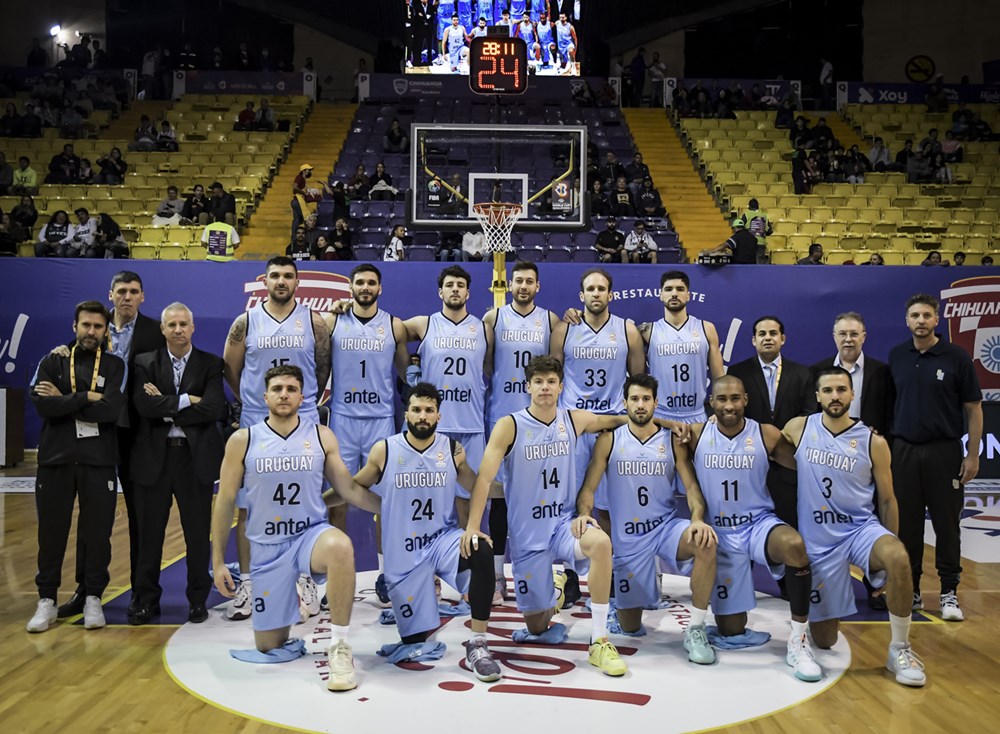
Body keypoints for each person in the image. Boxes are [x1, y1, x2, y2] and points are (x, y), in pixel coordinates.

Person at [463, 356, 648, 676]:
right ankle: (556, 589)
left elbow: (618, 420)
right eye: (538, 382)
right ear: (528, 387)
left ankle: (599, 640)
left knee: (601, 543)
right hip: (527, 535)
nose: (545, 387)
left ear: (561, 386)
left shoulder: (574, 419)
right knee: (536, 627)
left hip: (564, 525)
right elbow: (483, 479)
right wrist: (472, 526)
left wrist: (666, 426)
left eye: (551, 381)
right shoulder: (510, 425)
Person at [212, 365, 378, 691]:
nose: (284, 394)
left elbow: (347, 489)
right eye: (277, 389)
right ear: (265, 396)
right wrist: (217, 559)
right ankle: (288, 605)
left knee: (340, 546)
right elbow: (225, 501)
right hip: (267, 548)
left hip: (308, 536)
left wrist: (390, 510)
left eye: (291, 388)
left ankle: (340, 646)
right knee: (269, 646)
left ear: (303, 397)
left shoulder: (320, 435)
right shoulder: (243, 440)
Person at [783, 369, 926, 686]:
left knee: (898, 557)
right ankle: (808, 634)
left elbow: (888, 501)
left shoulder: (873, 441)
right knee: (825, 640)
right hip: (819, 542)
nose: (835, 396)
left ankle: (899, 649)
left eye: (841, 389)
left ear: (852, 395)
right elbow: (764, 445)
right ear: (817, 396)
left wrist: (890, 552)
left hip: (860, 531)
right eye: (828, 390)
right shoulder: (798, 428)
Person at [350, 382, 502, 682]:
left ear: (438, 416)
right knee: (414, 641)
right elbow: (354, 487)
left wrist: (512, 494)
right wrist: (384, 506)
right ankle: (422, 607)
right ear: (406, 413)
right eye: (417, 409)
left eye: (429, 410)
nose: (422, 416)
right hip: (404, 555)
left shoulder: (451, 449)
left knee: (480, 548)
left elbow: (478, 486)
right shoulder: (386, 449)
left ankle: (479, 644)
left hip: (441, 542)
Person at [674, 374, 822, 682]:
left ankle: (798, 642)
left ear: (746, 400)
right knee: (730, 628)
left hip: (757, 524)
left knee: (794, 546)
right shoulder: (697, 434)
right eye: (722, 399)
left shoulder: (765, 434)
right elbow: (657, 429)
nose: (729, 406)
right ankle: (711, 626)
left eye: (735, 399)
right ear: (711, 403)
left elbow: (805, 461)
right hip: (719, 532)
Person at [576, 374, 717, 664]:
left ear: (656, 402)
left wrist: (697, 518)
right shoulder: (609, 439)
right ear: (624, 403)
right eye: (634, 399)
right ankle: (640, 589)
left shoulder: (672, 439)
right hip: (629, 540)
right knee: (629, 627)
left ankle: (696, 628)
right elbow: (588, 488)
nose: (640, 405)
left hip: (665, 528)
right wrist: (584, 514)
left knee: (705, 543)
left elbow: (691, 487)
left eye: (646, 399)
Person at [222, 257, 332, 621]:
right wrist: (255, 401)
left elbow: (321, 366)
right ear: (265, 281)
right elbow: (230, 368)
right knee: (248, 506)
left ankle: (304, 580)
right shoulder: (245, 321)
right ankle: (251, 583)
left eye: (288, 276)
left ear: (297, 282)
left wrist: (300, 401)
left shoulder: (313, 321)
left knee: (308, 502)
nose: (281, 281)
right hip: (257, 419)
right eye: (275, 276)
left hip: (303, 420)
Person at [27, 301, 125, 633]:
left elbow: (111, 411)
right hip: (56, 459)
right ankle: (47, 600)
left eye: (98, 327)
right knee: (51, 532)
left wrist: (65, 398)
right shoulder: (51, 360)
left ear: (105, 331)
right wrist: (87, 398)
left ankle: (93, 597)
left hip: (98, 460)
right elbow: (42, 404)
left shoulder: (114, 366)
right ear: (75, 327)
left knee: (97, 533)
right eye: (86, 325)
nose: (91, 332)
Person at [129, 304, 228, 625]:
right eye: (171, 324)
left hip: (193, 459)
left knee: (197, 535)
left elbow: (214, 408)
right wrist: (189, 400)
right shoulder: (143, 362)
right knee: (149, 535)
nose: (178, 329)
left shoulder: (211, 364)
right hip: (153, 459)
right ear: (162, 329)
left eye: (184, 323)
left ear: (193, 327)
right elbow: (144, 406)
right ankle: (145, 600)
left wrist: (166, 403)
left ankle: (198, 600)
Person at [888, 294, 981, 621]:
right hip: (904, 452)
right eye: (915, 315)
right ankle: (911, 590)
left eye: (927, 315)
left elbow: (973, 408)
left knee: (947, 525)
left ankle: (949, 593)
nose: (921, 320)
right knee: (907, 528)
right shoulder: (897, 356)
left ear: (936, 319)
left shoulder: (956, 357)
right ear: (907, 320)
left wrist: (972, 455)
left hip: (945, 452)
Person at [483, 261, 559, 602]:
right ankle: (498, 575)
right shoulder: (493, 319)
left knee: (538, 499)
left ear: (538, 286)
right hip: (501, 416)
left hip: (539, 421)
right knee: (499, 499)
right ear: (508, 284)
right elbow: (486, 364)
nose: (523, 286)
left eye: (530, 281)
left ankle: (542, 574)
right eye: (518, 281)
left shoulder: (552, 320)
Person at [552, 269, 645, 543]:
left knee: (612, 504)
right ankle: (570, 574)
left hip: (614, 426)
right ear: (582, 295)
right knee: (571, 503)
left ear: (610, 295)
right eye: (590, 289)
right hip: (575, 426)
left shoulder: (627, 330)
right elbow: (553, 379)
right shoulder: (564, 328)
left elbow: (638, 383)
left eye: (601, 289)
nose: (596, 293)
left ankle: (615, 568)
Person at [726, 316, 814, 526]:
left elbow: (809, 413)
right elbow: (732, 413)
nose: (768, 338)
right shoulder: (738, 373)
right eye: (762, 334)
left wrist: (780, 440)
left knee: (791, 529)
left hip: (789, 464)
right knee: (746, 531)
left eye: (773, 333)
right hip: (749, 462)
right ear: (753, 340)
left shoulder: (802, 374)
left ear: (782, 338)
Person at [641, 271, 724, 423]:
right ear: (661, 295)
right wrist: (582, 315)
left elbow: (719, 377)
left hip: (697, 415)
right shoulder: (647, 331)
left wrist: (721, 409)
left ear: (688, 295)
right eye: (668, 289)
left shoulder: (706, 328)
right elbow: (616, 334)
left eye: (680, 289)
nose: (674, 294)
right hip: (660, 416)